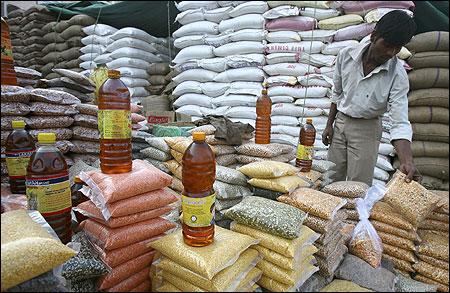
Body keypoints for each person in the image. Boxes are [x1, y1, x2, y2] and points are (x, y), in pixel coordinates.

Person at [322, 10, 421, 186]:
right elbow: (337, 92)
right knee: (330, 178)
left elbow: (400, 121)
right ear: (374, 35)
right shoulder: (346, 56)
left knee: (357, 187)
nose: (392, 52)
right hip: (341, 124)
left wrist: (406, 160)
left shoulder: (397, 75)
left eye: (398, 48)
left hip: (367, 130)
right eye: (388, 45)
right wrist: (329, 125)